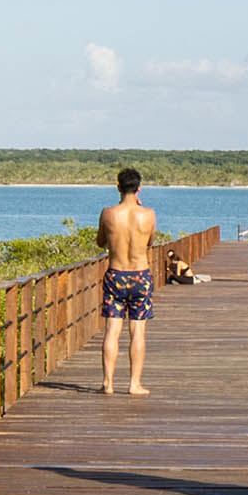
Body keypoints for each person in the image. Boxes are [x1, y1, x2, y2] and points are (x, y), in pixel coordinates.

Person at [97, 166, 158, 396]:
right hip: (140, 275)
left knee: (112, 330)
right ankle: (134, 384)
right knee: (138, 332)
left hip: (115, 274)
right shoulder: (149, 214)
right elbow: (150, 241)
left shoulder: (107, 213)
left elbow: (100, 241)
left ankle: (108, 383)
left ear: (118, 187)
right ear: (139, 188)